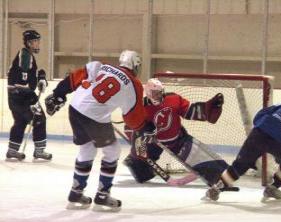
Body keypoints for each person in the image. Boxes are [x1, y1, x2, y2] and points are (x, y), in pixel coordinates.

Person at [45, 50, 155, 211]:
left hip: (75, 109)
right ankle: (103, 195)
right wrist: (144, 127)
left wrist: (58, 95)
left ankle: (76, 193)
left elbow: (74, 78)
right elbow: (133, 118)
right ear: (136, 65)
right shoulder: (134, 84)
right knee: (113, 151)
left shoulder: (102, 66)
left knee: (87, 149)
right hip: (94, 116)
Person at [123, 78, 229, 189]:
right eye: (154, 93)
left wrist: (210, 107)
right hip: (154, 142)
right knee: (140, 171)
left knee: (204, 161)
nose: (157, 96)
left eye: (159, 93)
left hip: (177, 139)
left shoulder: (173, 98)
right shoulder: (141, 107)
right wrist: (143, 134)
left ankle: (221, 177)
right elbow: (131, 129)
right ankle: (133, 161)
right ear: (148, 93)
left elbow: (190, 111)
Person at [205, 100, 281, 201]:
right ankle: (273, 187)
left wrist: (258, 132)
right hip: (278, 142)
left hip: (259, 132)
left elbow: (261, 113)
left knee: (240, 165)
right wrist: (280, 158)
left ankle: (216, 189)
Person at [6, 29, 51, 161]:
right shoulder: (25, 55)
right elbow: (24, 79)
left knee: (20, 121)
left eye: (38, 41)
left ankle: (12, 150)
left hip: (16, 98)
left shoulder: (26, 55)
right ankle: (39, 151)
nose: (38, 44)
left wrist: (40, 77)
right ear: (29, 43)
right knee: (39, 119)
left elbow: (30, 75)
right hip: (22, 98)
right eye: (36, 41)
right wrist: (32, 92)